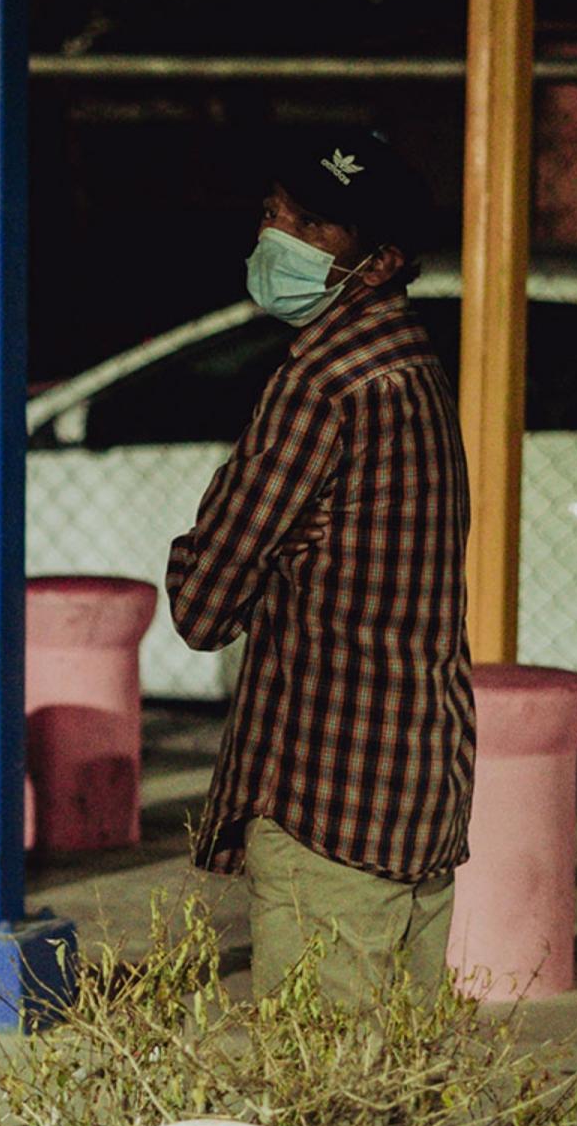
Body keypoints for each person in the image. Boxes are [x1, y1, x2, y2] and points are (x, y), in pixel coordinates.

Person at [167, 132, 475, 1003]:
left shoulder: (322, 384)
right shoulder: (411, 366)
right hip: (417, 790)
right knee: (396, 1106)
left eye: (317, 227)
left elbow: (202, 604)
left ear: (378, 264)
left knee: (318, 1105)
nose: (284, 238)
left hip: (329, 802)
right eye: (279, 213)